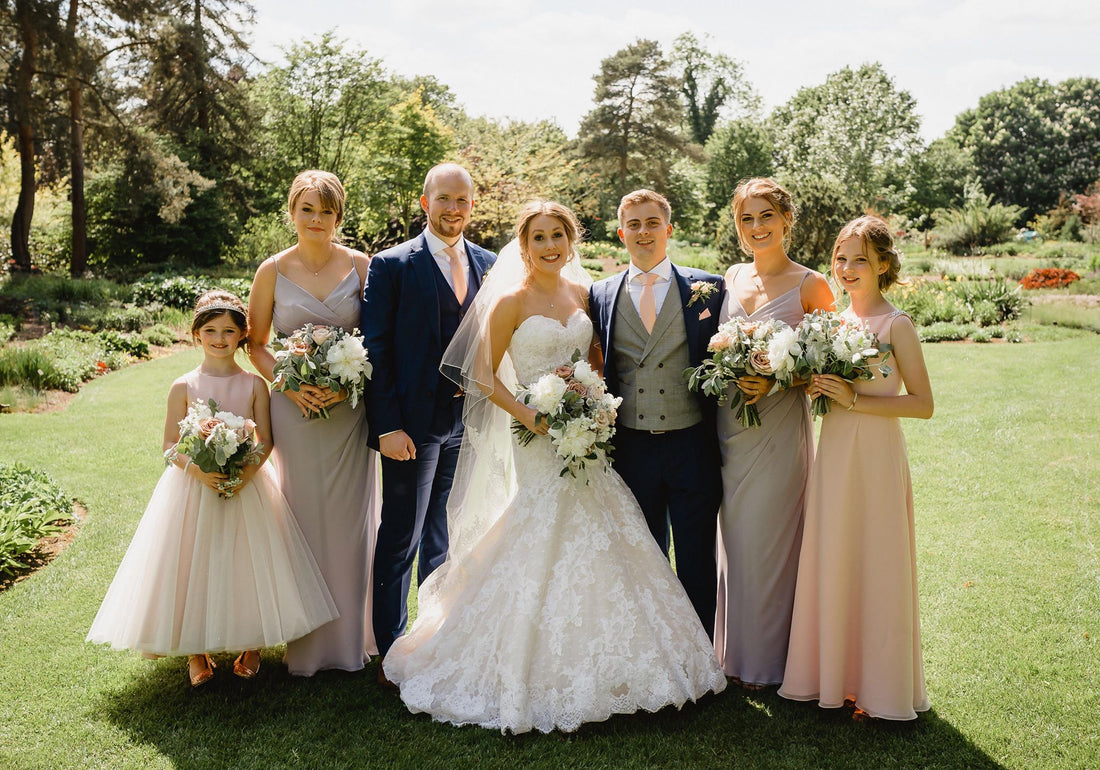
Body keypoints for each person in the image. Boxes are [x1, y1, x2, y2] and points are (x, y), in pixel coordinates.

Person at [381, 201, 726, 733]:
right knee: (542, 528)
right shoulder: (510, 301)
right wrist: (530, 414)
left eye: (557, 236)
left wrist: (591, 400)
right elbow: (480, 374)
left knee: (607, 529)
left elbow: (597, 359)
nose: (549, 246)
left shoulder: (583, 294)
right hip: (536, 435)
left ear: (571, 241)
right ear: (523, 246)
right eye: (538, 237)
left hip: (586, 434)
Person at [87, 291, 337, 687]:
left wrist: (246, 473)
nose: (219, 339)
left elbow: (266, 440)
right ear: (196, 334)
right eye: (211, 331)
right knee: (192, 561)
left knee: (247, 562)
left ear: (242, 336)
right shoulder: (183, 386)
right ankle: (195, 650)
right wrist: (200, 472)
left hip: (247, 486)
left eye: (229, 331)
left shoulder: (254, 384)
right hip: (194, 487)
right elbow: (169, 445)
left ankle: (252, 643)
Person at [779, 215, 933, 720]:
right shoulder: (831, 323)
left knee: (877, 562)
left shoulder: (896, 325)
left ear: (883, 264)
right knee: (835, 557)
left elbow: (923, 404)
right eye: (840, 258)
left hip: (877, 458)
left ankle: (882, 690)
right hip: (836, 455)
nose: (846, 268)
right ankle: (833, 679)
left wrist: (854, 399)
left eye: (859, 259)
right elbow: (827, 391)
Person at [362, 163, 496, 683]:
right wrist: (387, 426)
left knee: (445, 536)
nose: (453, 209)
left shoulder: (489, 263)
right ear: (425, 202)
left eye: (462, 200)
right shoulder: (392, 265)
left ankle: (433, 638)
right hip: (410, 428)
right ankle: (391, 649)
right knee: (402, 535)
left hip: (468, 424)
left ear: (471, 205)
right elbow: (377, 350)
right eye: (444, 198)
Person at [248, 170, 380, 675]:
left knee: (350, 523)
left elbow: (377, 339)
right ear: (292, 212)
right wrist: (291, 383)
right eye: (307, 209)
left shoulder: (362, 265)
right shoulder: (272, 270)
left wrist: (347, 384)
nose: (316, 219)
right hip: (294, 410)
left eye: (326, 210)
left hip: (350, 412)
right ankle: (305, 643)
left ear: (338, 216)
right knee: (300, 518)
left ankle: (352, 639)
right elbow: (256, 344)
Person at [712, 177, 835, 688]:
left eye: (766, 216)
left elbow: (830, 366)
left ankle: (768, 663)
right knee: (735, 543)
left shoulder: (811, 285)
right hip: (728, 430)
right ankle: (730, 655)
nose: (757, 226)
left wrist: (779, 377)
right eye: (747, 218)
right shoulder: (730, 276)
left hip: (779, 433)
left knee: (770, 543)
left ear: (786, 220)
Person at [588, 189, 725, 638]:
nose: (643, 232)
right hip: (631, 447)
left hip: (693, 444)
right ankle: (657, 653)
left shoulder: (709, 288)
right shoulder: (601, 293)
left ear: (668, 229)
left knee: (697, 557)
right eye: (634, 224)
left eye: (652, 223)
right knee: (644, 559)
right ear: (621, 233)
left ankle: (702, 654)